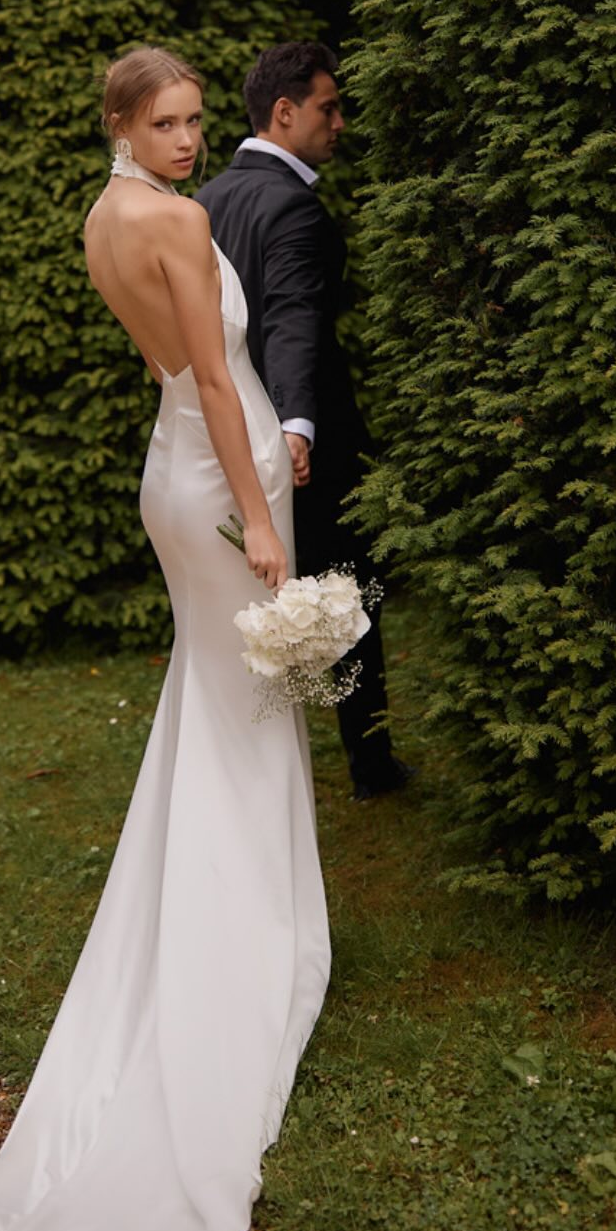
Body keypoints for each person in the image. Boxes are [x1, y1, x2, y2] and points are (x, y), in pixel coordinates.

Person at [0, 47, 330, 1231]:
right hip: (221, 474)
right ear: (120, 122)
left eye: (197, 120)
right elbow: (215, 377)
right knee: (246, 701)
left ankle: (214, 917)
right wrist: (260, 516)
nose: (189, 139)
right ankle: (246, 943)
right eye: (167, 124)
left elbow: (175, 373)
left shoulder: (103, 219)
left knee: (217, 696)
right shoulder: (178, 220)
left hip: (171, 473)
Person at [195, 42, 410, 801]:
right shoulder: (292, 206)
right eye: (328, 107)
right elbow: (295, 319)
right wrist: (297, 423)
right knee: (348, 592)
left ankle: (240, 763)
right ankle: (371, 765)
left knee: (248, 601)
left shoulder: (205, 200)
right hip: (300, 434)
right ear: (284, 112)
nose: (339, 123)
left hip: (223, 430)